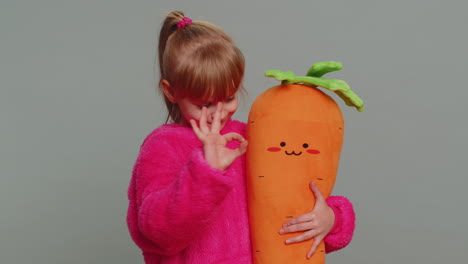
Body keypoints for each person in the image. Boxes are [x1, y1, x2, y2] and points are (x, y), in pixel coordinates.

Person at [127, 11, 355, 264]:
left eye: (228, 98)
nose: (218, 113)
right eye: (204, 104)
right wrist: (206, 171)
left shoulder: (252, 138)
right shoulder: (162, 147)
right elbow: (156, 231)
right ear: (171, 91)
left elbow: (295, 195)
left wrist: (331, 219)